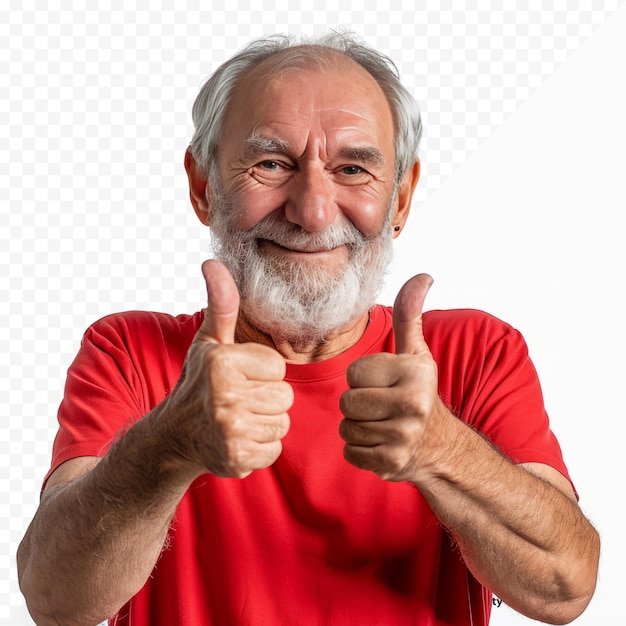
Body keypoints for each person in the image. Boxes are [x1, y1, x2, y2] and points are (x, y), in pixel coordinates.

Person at [17, 32, 599, 626]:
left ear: (400, 200)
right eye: (271, 164)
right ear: (203, 186)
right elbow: (56, 600)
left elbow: (564, 589)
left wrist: (444, 452)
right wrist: (168, 444)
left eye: (353, 168)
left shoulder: (477, 353)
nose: (313, 209)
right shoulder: (127, 352)